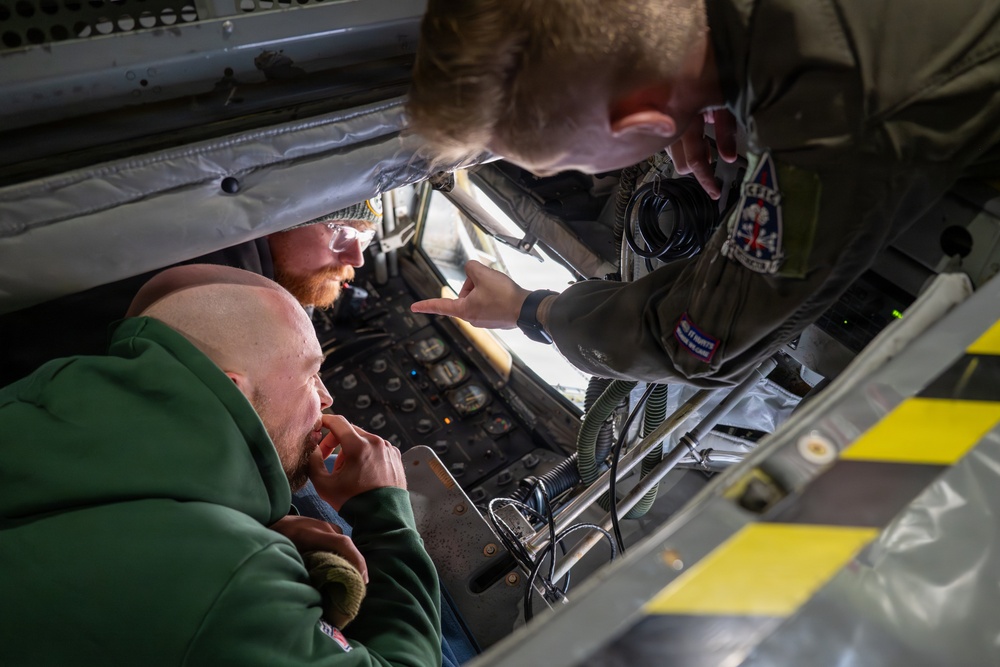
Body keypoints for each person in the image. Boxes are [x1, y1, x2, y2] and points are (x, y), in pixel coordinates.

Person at [405, 0, 1000, 387]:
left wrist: (531, 310)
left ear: (642, 124)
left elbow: (693, 343)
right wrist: (698, 88)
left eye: (563, 163)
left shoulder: (827, 120)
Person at [0, 264, 442, 667]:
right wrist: (388, 522)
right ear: (233, 390)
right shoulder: (237, 578)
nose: (326, 399)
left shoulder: (23, 401)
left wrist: (253, 527)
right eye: (311, 374)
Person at [0, 199, 380, 386]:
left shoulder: (201, 226)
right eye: (342, 232)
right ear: (283, 213)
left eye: (366, 239)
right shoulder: (234, 304)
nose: (356, 258)